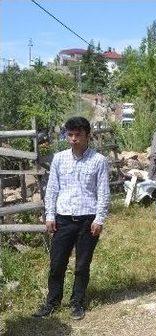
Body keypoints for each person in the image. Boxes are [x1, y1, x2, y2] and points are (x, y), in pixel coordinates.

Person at [33, 116, 110, 320]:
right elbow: (52, 190)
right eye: (70, 134)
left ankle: (77, 302)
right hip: (63, 219)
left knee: (82, 264)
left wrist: (99, 219)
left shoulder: (98, 161)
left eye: (78, 135)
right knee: (57, 263)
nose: (74, 139)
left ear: (87, 136)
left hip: (88, 219)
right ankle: (52, 302)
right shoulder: (59, 158)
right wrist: (50, 215)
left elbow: (103, 192)